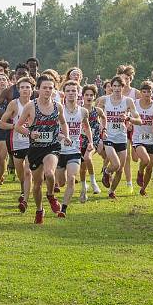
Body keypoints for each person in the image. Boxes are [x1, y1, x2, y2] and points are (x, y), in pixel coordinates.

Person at [16, 74, 70, 224]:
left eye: (50, 88)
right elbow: (18, 126)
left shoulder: (58, 106)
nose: (47, 90)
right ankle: (39, 209)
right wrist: (30, 133)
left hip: (52, 147)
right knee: (37, 183)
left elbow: (64, 123)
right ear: (38, 89)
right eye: (44, 88)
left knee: (50, 173)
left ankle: (51, 195)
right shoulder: (30, 106)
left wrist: (66, 135)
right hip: (35, 149)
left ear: (54, 90)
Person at [97, 76, 141, 199]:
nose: (116, 88)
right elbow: (96, 116)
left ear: (123, 87)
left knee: (120, 170)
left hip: (121, 137)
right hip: (108, 137)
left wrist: (128, 119)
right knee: (115, 164)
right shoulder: (104, 100)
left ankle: (111, 191)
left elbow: (139, 120)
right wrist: (102, 127)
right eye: (114, 86)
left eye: (119, 86)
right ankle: (106, 172)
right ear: (111, 87)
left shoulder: (128, 101)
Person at [55, 80, 93, 217]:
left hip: (74, 151)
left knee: (71, 179)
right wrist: (62, 137)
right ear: (64, 93)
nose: (71, 93)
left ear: (78, 94)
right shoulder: (58, 110)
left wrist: (90, 142)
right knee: (61, 182)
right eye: (68, 91)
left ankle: (63, 209)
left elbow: (87, 127)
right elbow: (53, 129)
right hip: (59, 151)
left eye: (74, 91)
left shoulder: (83, 111)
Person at [0, 76, 35, 213]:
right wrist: (16, 126)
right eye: (22, 87)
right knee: (21, 173)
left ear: (32, 90)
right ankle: (22, 188)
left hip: (31, 143)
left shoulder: (35, 104)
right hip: (17, 142)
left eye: (28, 87)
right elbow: (2, 123)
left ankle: (25, 200)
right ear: (18, 90)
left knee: (27, 171)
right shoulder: (14, 104)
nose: (25, 90)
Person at [132, 81, 153, 196]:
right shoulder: (135, 103)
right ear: (141, 92)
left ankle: (143, 189)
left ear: (152, 92)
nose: (146, 94)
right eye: (144, 91)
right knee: (145, 160)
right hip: (138, 138)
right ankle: (140, 172)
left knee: (150, 167)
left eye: (149, 91)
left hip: (150, 138)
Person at [78, 84, 106, 200]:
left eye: (91, 95)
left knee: (88, 158)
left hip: (93, 140)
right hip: (80, 141)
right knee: (83, 166)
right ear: (82, 96)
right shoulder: (78, 110)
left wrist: (103, 129)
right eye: (86, 95)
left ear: (94, 97)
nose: (89, 97)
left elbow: (104, 118)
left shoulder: (97, 110)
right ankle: (84, 186)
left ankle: (94, 183)